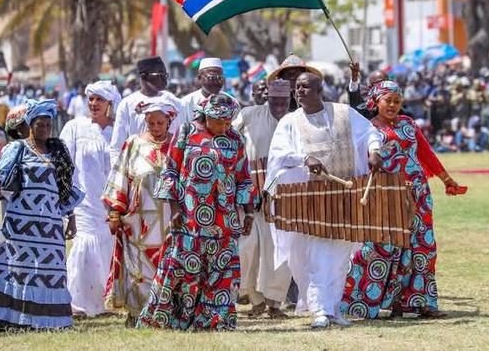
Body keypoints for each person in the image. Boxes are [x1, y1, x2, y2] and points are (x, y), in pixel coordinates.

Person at [266, 71, 383, 329]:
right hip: (312, 199)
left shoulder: (344, 113)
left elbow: (371, 133)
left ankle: (334, 308)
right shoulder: (290, 121)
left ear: (320, 90)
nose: (299, 92)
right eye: (297, 88)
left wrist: (374, 151)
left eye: (306, 87)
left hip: (346, 196)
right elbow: (279, 153)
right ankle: (320, 310)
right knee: (317, 254)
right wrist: (304, 159)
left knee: (341, 254)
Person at [341, 81, 463, 320]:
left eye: (397, 101)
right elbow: (361, 163)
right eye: (388, 100)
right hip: (387, 195)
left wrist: (447, 179)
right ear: (376, 102)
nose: (393, 105)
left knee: (423, 247)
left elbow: (426, 154)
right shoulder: (368, 128)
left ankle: (423, 303)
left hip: (418, 194)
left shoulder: (409, 125)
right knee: (383, 248)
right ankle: (370, 301)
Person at [137, 93, 259, 331]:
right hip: (189, 218)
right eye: (219, 122)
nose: (224, 127)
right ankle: (171, 319)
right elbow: (171, 171)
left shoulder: (235, 139)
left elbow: (243, 178)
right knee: (182, 270)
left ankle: (215, 321)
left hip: (224, 220)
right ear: (206, 116)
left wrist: (249, 213)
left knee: (221, 272)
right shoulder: (186, 132)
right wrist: (174, 209)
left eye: (228, 123)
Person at [0, 99, 83, 330]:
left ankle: (48, 321)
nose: (45, 128)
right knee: (16, 270)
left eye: (48, 124)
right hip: (20, 225)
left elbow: (65, 188)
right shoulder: (17, 148)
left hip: (50, 227)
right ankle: (12, 320)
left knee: (50, 272)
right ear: (29, 124)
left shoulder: (58, 150)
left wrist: (72, 218)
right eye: (39, 124)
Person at [102, 96, 178, 327]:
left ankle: (166, 312)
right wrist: (115, 212)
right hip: (138, 221)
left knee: (169, 263)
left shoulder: (178, 144)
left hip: (171, 220)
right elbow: (120, 177)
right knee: (139, 266)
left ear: (169, 122)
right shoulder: (133, 143)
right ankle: (138, 312)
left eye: (160, 123)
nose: (155, 128)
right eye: (151, 123)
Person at [60, 81, 121, 318]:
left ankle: (105, 302)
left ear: (110, 103)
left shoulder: (118, 130)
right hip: (83, 201)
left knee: (108, 249)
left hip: (110, 203)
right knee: (83, 249)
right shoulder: (75, 127)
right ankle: (76, 302)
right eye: (91, 99)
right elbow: (64, 164)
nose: (93, 104)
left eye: (99, 100)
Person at [233, 79, 292, 319]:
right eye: (275, 101)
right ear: (267, 98)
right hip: (250, 196)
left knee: (279, 251)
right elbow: (230, 138)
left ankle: (274, 303)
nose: (279, 106)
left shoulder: (295, 120)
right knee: (247, 250)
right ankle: (255, 299)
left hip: (285, 196)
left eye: (283, 102)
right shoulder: (248, 114)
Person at [109, 56, 184, 164]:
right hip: (137, 170)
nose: (165, 79)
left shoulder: (174, 102)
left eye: (166, 75)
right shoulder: (127, 104)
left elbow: (180, 140)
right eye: (160, 75)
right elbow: (116, 147)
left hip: (168, 169)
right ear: (144, 77)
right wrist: (120, 176)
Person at [180, 57, 227, 121]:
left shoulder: (231, 102)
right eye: (211, 78)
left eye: (219, 78)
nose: (216, 82)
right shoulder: (186, 103)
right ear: (199, 78)